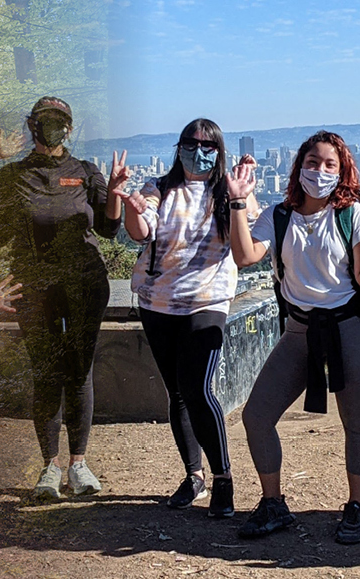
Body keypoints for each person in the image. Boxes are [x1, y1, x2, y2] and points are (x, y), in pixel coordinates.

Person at [225, 131, 360, 544]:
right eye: (313, 162)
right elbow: (244, 257)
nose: (320, 171)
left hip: (348, 327)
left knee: (356, 421)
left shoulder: (353, 216)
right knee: (256, 416)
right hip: (299, 329)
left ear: (343, 171)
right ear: (299, 168)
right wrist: (238, 201)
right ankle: (273, 503)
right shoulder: (278, 215)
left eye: (330, 165)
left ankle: (355, 506)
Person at [0, 97, 120, 500]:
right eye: (43, 121)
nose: (51, 127)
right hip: (34, 287)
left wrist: (116, 193)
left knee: (79, 370)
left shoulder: (86, 172)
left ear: (69, 128)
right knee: (45, 371)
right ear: (32, 126)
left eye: (59, 121)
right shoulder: (11, 176)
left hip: (83, 285)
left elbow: (110, 229)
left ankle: (79, 465)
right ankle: (48, 468)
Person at [109, 118, 242, 518]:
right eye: (190, 143)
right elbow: (140, 230)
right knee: (178, 394)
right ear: (179, 146)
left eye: (207, 145)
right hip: (158, 303)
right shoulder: (159, 189)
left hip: (207, 301)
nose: (198, 150)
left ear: (219, 151)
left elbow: (245, 235)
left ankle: (223, 478)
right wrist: (133, 209)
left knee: (199, 387)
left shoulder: (228, 192)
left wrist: (238, 198)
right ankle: (194, 475)